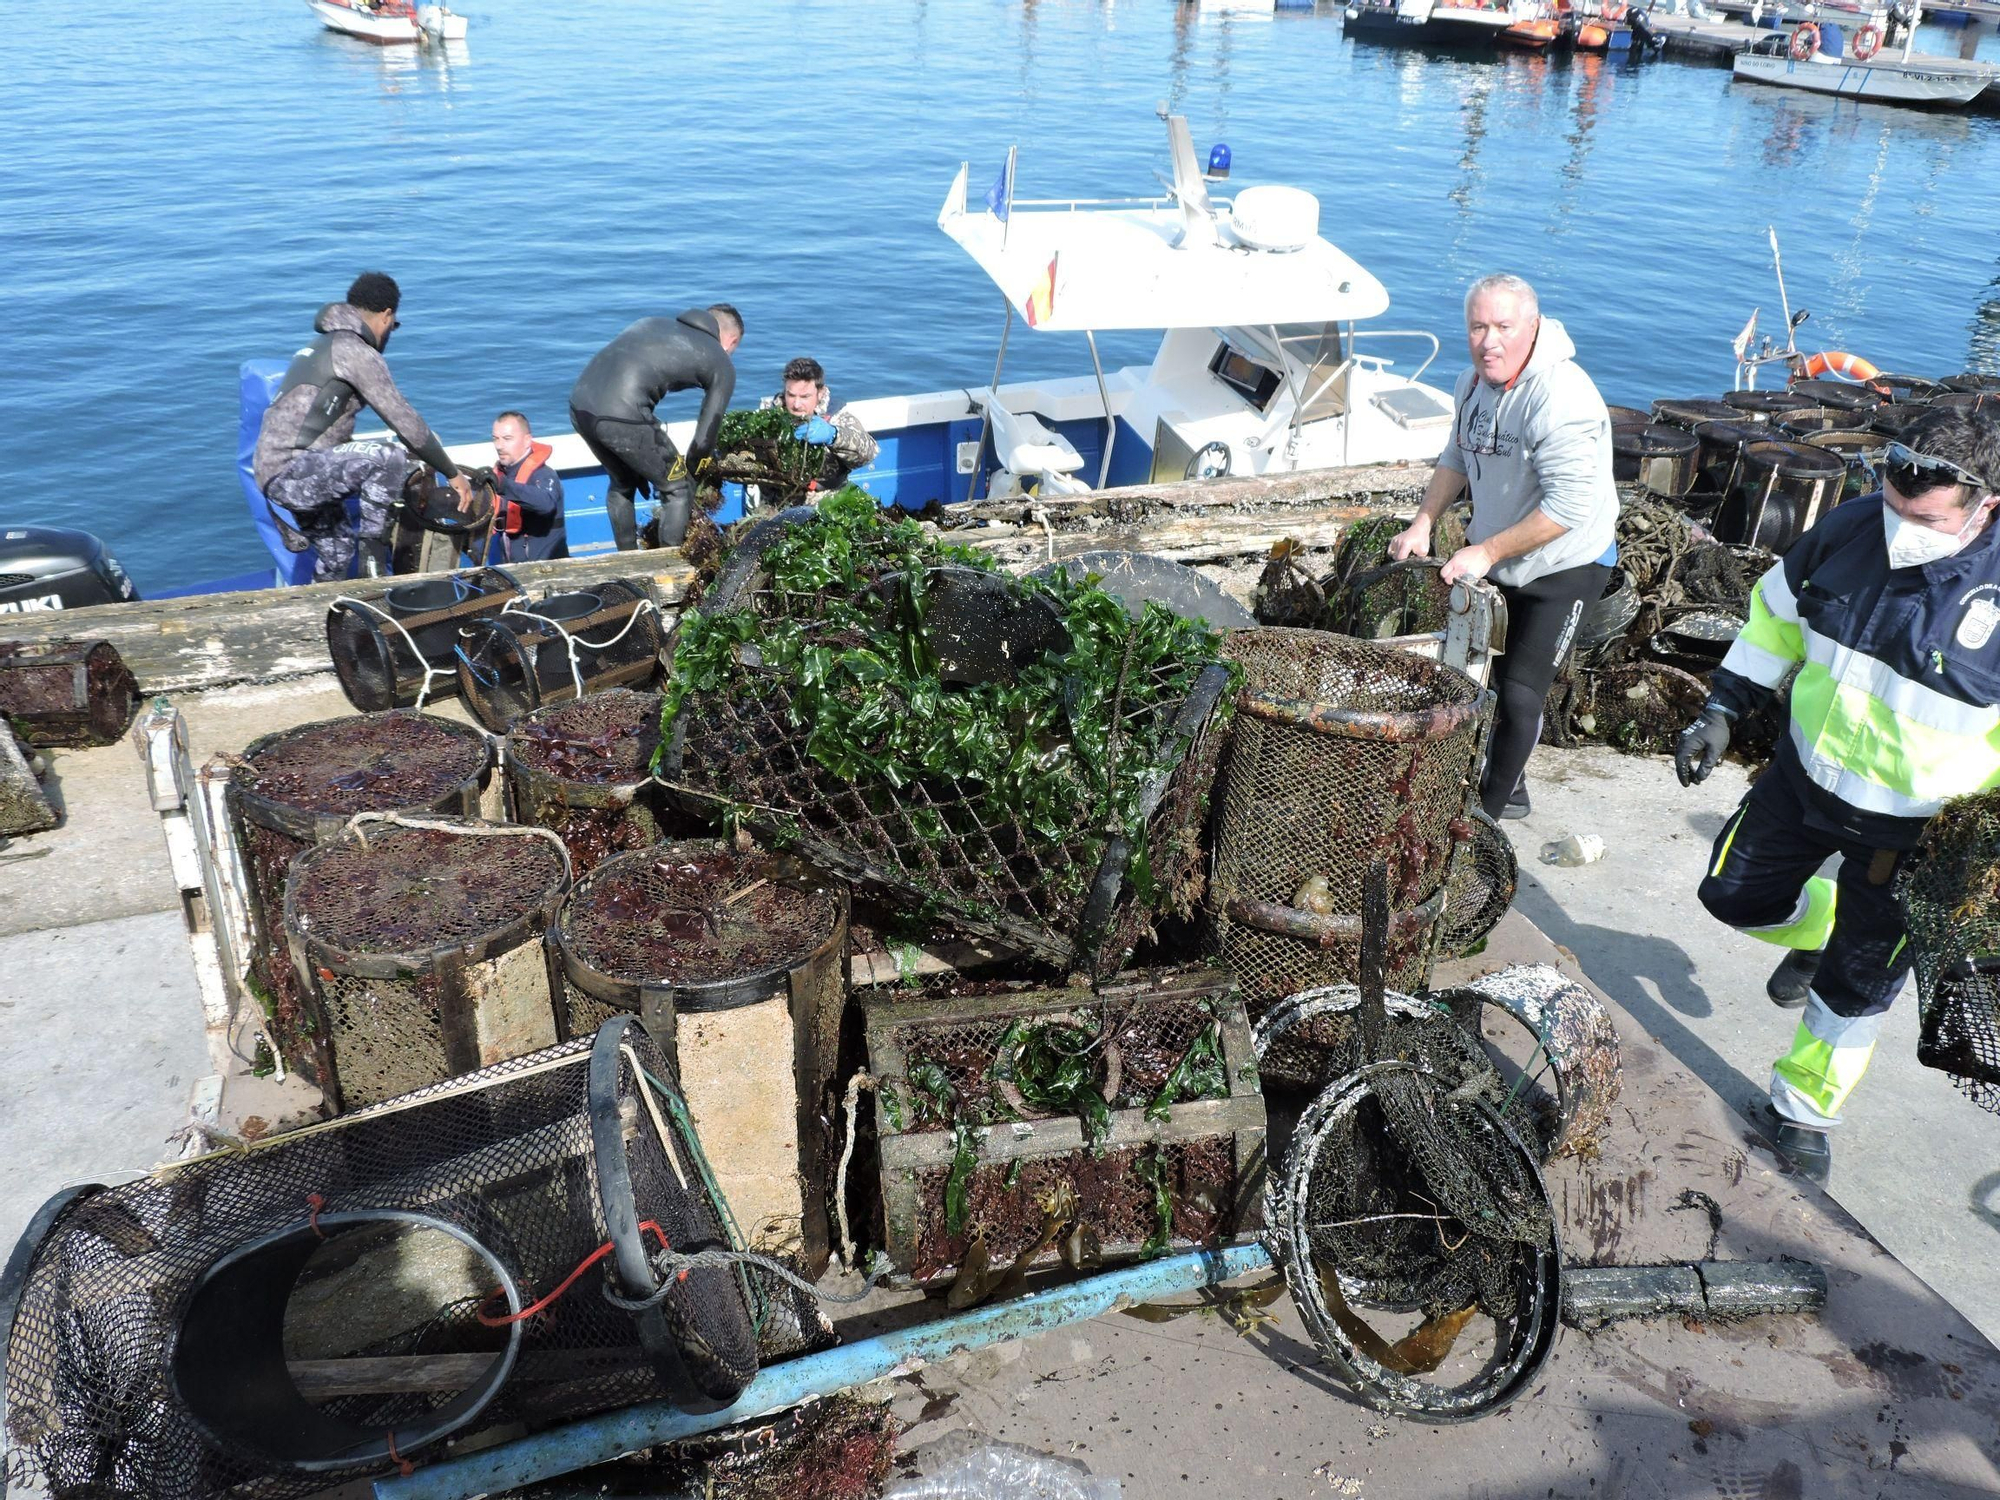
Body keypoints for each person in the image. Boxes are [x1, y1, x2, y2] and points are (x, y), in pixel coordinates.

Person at [1674, 406, 2000, 1184]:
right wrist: (1722, 711)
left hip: (1919, 833)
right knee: (1731, 896)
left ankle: (1804, 1114)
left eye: (1921, 518)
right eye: (1890, 504)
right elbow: (1774, 623)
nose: (1899, 528)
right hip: (1804, 778)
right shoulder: (1848, 531)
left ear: (1986, 503)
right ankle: (1811, 924)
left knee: (1857, 988)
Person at [1386, 272, 1619, 821]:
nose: (1488, 341)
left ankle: (1483, 820)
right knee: (1473, 678)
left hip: (1567, 564)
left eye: (1503, 327)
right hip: (1497, 556)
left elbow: (1567, 510)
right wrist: (1423, 522)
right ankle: (1508, 782)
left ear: (1532, 327)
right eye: (1477, 327)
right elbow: (1456, 457)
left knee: (1519, 693)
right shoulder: (1472, 383)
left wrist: (1485, 553)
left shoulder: (1562, 398)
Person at [254, 272, 472, 580]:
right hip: (294, 470)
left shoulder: (324, 343)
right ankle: (374, 572)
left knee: (337, 550)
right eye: (393, 326)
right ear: (387, 316)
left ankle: (321, 610)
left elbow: (321, 426)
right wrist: (452, 473)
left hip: (278, 472)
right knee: (390, 457)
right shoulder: (355, 350)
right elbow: (403, 420)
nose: (390, 333)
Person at [569, 305, 742, 551]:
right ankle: (666, 571)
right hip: (621, 416)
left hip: (579, 406)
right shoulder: (721, 360)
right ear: (731, 340)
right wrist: (692, 474)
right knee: (678, 489)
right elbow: (704, 441)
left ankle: (628, 562)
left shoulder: (651, 322)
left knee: (623, 482)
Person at [763, 356, 878, 490]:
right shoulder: (768, 415)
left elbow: (869, 452)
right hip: (773, 505)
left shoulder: (836, 416)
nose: (796, 404)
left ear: (820, 393)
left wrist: (834, 436)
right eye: (791, 395)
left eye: (805, 396)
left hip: (823, 503)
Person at [488, 410, 567, 562]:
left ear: (527, 440)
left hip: (546, 568)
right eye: (495, 439)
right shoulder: (500, 474)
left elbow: (546, 503)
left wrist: (503, 486)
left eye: (507, 439)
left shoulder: (544, 475)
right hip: (509, 568)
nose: (499, 446)